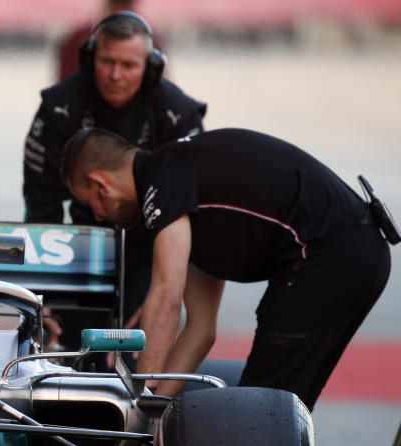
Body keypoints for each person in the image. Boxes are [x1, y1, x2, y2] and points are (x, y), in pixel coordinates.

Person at [59, 126, 391, 410]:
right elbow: (201, 329)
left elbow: (166, 298)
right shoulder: (187, 189)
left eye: (93, 205)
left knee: (258, 411)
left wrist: (137, 402)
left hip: (331, 255)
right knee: (287, 406)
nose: (99, 216)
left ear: (100, 183)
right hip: (359, 253)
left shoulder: (162, 185)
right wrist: (156, 406)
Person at [22, 11, 205, 346]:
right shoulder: (58, 108)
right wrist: (39, 298)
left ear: (151, 67)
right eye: (107, 61)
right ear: (90, 57)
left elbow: (193, 216)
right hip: (75, 248)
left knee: (142, 344)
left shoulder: (178, 115)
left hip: (154, 245)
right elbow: (40, 208)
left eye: (129, 65)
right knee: (69, 352)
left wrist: (165, 295)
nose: (116, 75)